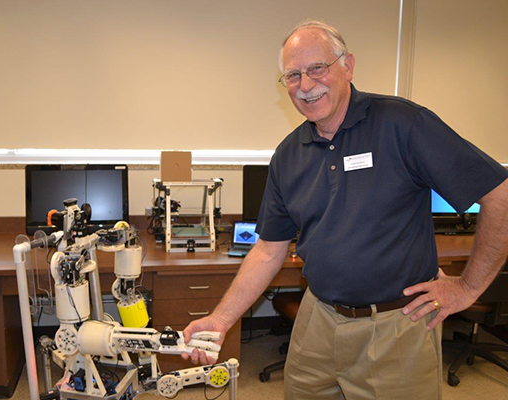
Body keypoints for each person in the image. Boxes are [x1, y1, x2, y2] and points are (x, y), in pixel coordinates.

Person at [182, 19, 508, 399]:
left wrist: (468, 287)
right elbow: (268, 250)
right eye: (293, 75)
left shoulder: (403, 124)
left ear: (348, 66)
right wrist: (221, 318)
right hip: (317, 319)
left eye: (317, 68)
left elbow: (499, 195)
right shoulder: (288, 156)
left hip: (397, 325)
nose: (306, 85)